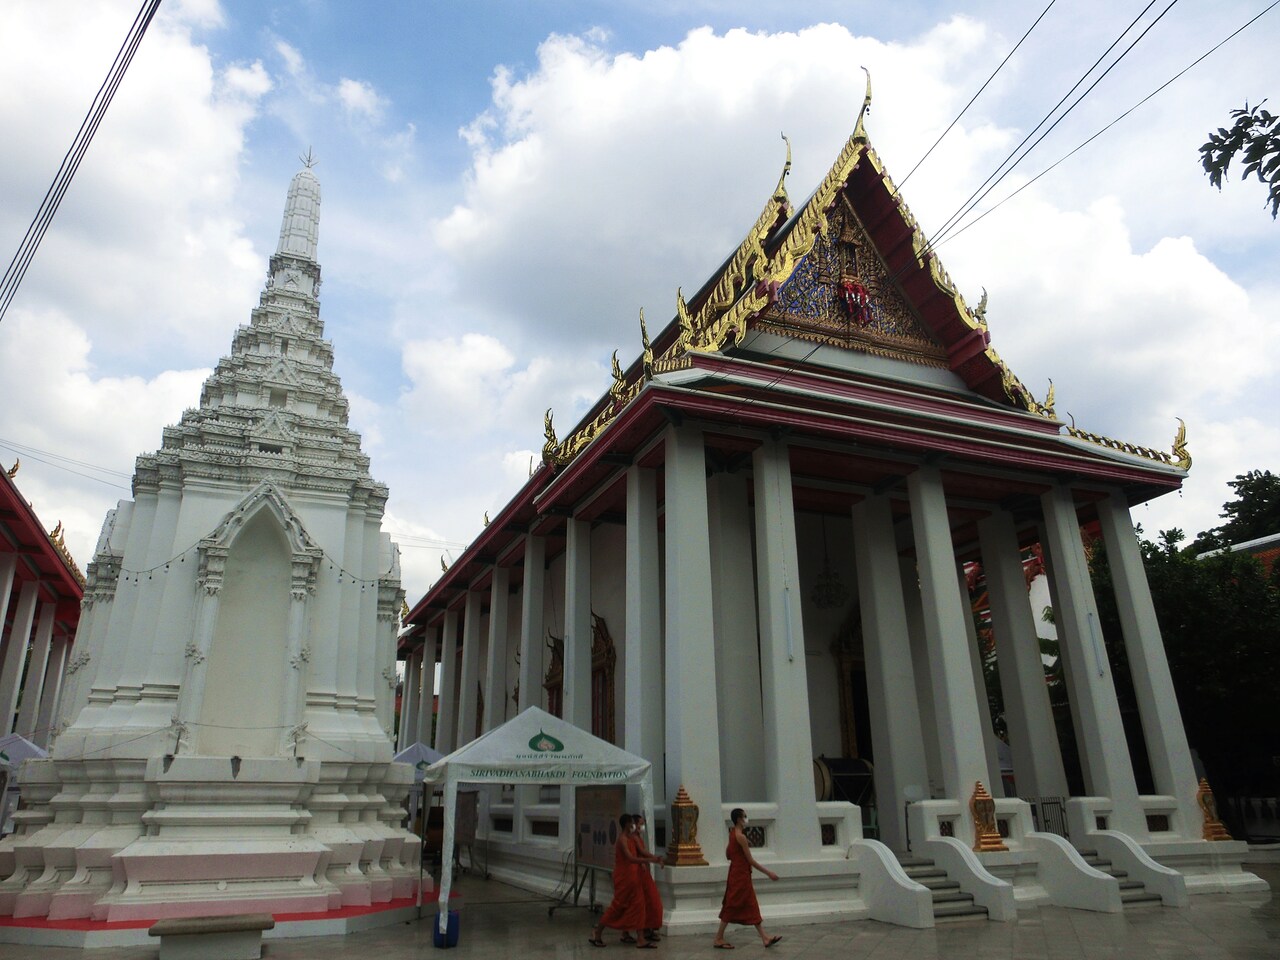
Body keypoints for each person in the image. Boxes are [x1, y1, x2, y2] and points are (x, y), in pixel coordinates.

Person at [713, 808, 781, 949]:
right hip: (740, 876)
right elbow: (751, 860)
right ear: (739, 819)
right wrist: (768, 873)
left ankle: (765, 938)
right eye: (744, 816)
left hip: (737, 873)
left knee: (751, 905)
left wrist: (739, 850)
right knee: (732, 905)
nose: (746, 819)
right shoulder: (741, 837)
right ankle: (718, 937)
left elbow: (728, 854)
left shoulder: (733, 834)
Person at [590, 814, 652, 948]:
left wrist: (652, 859)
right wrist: (648, 860)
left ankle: (640, 938)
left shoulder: (632, 838)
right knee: (617, 906)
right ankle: (597, 931)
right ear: (627, 825)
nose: (634, 826)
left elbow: (640, 852)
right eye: (632, 823)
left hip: (634, 877)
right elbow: (630, 858)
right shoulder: (622, 840)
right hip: (624, 877)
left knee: (639, 906)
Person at [630, 813, 664, 942]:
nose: (643, 826)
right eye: (641, 824)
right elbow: (642, 852)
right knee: (645, 902)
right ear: (634, 825)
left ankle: (648, 928)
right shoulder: (633, 838)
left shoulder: (638, 837)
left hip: (643, 873)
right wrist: (655, 858)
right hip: (638, 874)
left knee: (651, 902)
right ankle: (642, 931)